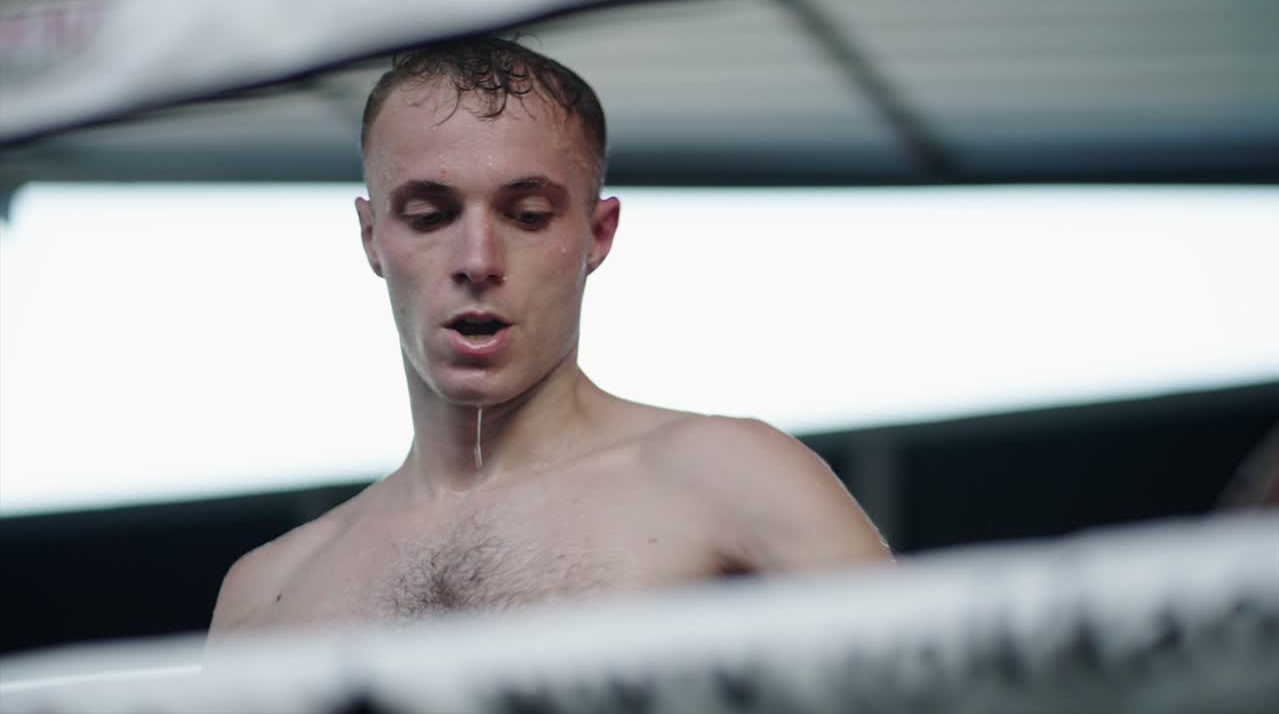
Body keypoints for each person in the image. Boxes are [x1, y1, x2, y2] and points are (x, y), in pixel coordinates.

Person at [208, 37, 890, 637]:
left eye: (528, 216)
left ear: (598, 235)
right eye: (428, 216)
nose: (478, 259)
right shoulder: (266, 595)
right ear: (371, 237)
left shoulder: (731, 476)